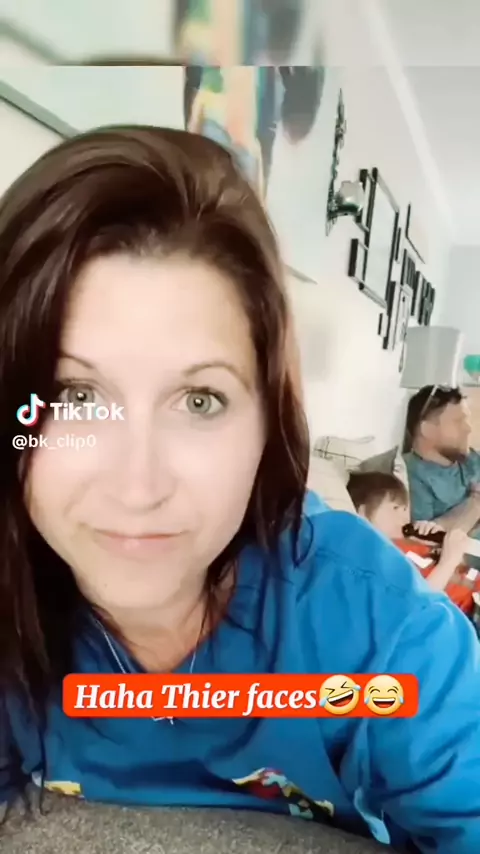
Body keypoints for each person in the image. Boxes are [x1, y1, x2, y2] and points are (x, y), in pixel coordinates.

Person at [0, 127, 480, 852]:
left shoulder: (378, 630)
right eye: (75, 396)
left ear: (268, 427)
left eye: (200, 400)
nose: (138, 486)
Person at [346, 471, 479, 613]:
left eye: (405, 509)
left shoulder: (413, 544)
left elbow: (462, 573)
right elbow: (418, 607)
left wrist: (440, 545)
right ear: (363, 514)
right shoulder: (379, 558)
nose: (404, 517)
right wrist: (447, 562)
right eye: (395, 508)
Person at [404, 385, 480, 537]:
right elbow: (428, 537)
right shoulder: (409, 478)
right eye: (458, 421)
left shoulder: (471, 459)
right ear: (427, 430)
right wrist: (475, 505)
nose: (468, 428)